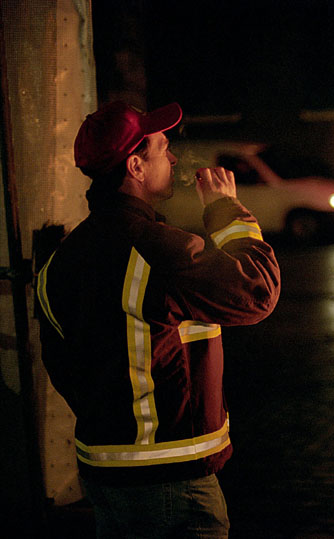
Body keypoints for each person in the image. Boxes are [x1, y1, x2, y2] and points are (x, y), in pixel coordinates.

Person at [35, 101, 280, 538]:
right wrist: (227, 212)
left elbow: (62, 367)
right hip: (171, 483)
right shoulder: (157, 249)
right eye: (162, 149)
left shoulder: (60, 261)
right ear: (135, 166)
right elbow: (256, 293)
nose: (173, 158)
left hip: (103, 476)